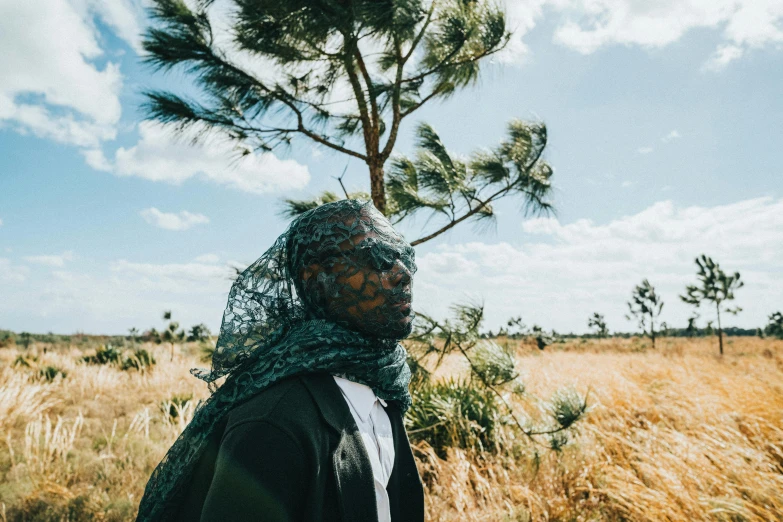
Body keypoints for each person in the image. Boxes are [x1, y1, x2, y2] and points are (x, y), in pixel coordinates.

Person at [136, 200, 425, 522]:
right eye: (379, 258)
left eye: (406, 258)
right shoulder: (273, 422)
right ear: (318, 280)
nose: (403, 273)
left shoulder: (383, 390)